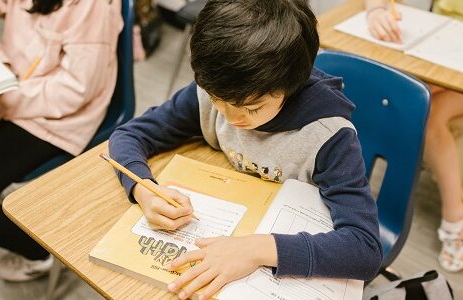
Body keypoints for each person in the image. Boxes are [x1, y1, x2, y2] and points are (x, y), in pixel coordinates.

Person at [108, 0, 382, 299]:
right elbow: (129, 135)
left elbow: (364, 249)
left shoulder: (329, 136)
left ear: (290, 87)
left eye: (252, 108)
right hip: (235, 221)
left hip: (280, 258)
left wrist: (257, 249)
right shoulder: (219, 88)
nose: (230, 117)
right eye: (216, 99)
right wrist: (143, 188)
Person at [0, 0, 122, 281]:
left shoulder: (92, 7)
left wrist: (1, 95)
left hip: (55, 116)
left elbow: (75, 91)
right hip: (8, 89)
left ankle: (40, 253)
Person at [365, 0, 463, 272]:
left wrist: (423, 77)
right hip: (437, 48)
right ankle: (359, 192)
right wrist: (376, 10)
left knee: (422, 108)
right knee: (391, 89)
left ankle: (455, 217)